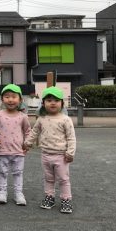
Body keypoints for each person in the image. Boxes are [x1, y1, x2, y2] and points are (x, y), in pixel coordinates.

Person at [24, 86, 76, 214]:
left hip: (61, 156)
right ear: (43, 103)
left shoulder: (65, 119)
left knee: (63, 179)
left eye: (56, 100)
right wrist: (28, 142)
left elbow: (71, 137)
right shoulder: (41, 119)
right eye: (49, 100)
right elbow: (34, 131)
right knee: (48, 178)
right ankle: (49, 197)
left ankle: (66, 199)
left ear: (62, 104)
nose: (53, 103)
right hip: (45, 154)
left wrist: (70, 152)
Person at [0, 84, 31, 206]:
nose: (10, 100)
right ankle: (2, 192)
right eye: (7, 97)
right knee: (2, 172)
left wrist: (27, 144)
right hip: (1, 150)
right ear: (2, 99)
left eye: (14, 97)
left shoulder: (23, 116)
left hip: (18, 151)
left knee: (18, 173)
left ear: (20, 100)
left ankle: (19, 193)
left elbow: (28, 131)